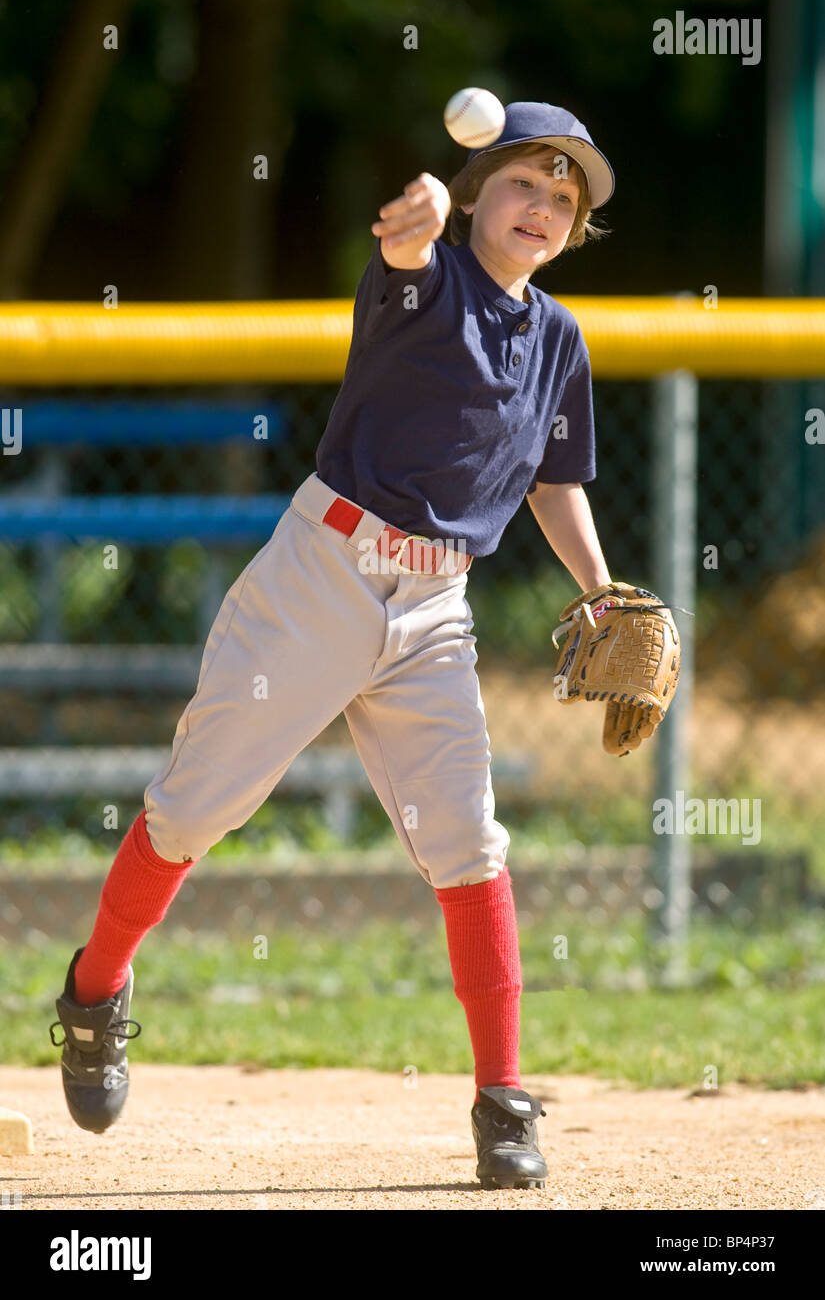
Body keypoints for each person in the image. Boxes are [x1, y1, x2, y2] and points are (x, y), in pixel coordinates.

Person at [50, 101, 615, 1191]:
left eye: (565, 197)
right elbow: (403, 250)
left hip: (437, 605)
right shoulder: (428, 278)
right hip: (323, 575)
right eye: (522, 185)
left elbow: (556, 479)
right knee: (195, 807)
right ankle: (94, 988)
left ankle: (503, 1100)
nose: (542, 208)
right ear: (478, 191)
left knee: (468, 840)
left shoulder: (560, 340)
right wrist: (418, 222)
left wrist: (602, 588)